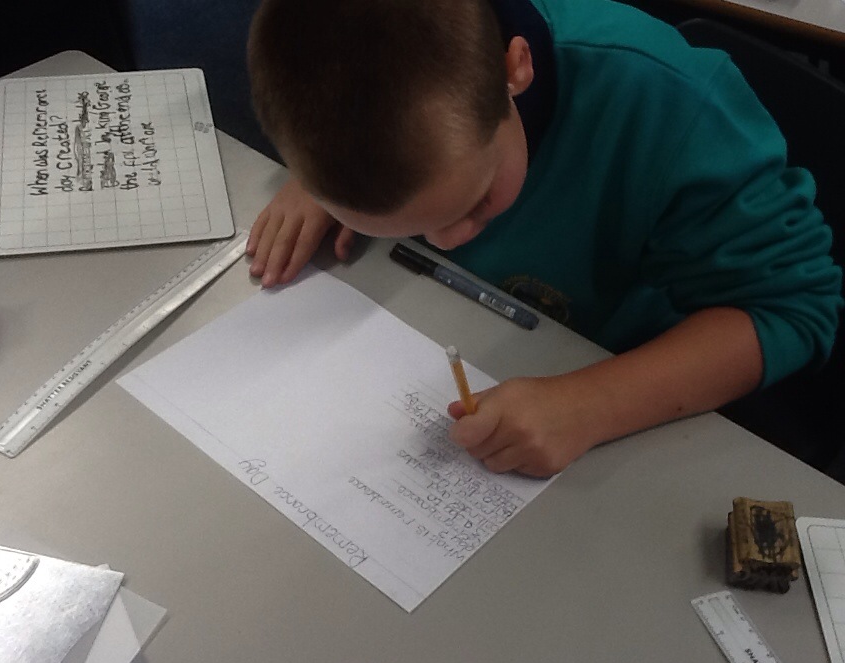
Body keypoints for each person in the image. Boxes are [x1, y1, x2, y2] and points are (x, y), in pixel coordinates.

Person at [245, 0, 843, 477]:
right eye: (409, 228)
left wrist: (589, 405)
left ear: (517, 70)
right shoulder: (362, 103)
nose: (445, 243)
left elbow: (794, 310)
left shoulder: (671, 109)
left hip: (629, 380)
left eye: (475, 203)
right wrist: (328, 183)